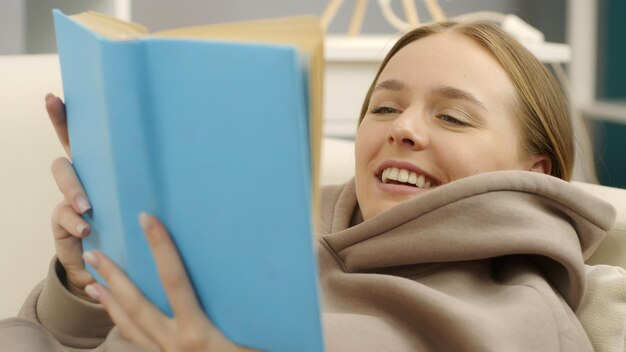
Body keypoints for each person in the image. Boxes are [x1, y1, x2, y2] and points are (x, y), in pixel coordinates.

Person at [0, 20, 616, 351]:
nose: (402, 128)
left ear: (530, 175)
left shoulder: (519, 314)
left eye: (452, 116)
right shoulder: (270, 219)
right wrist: (85, 281)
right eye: (383, 107)